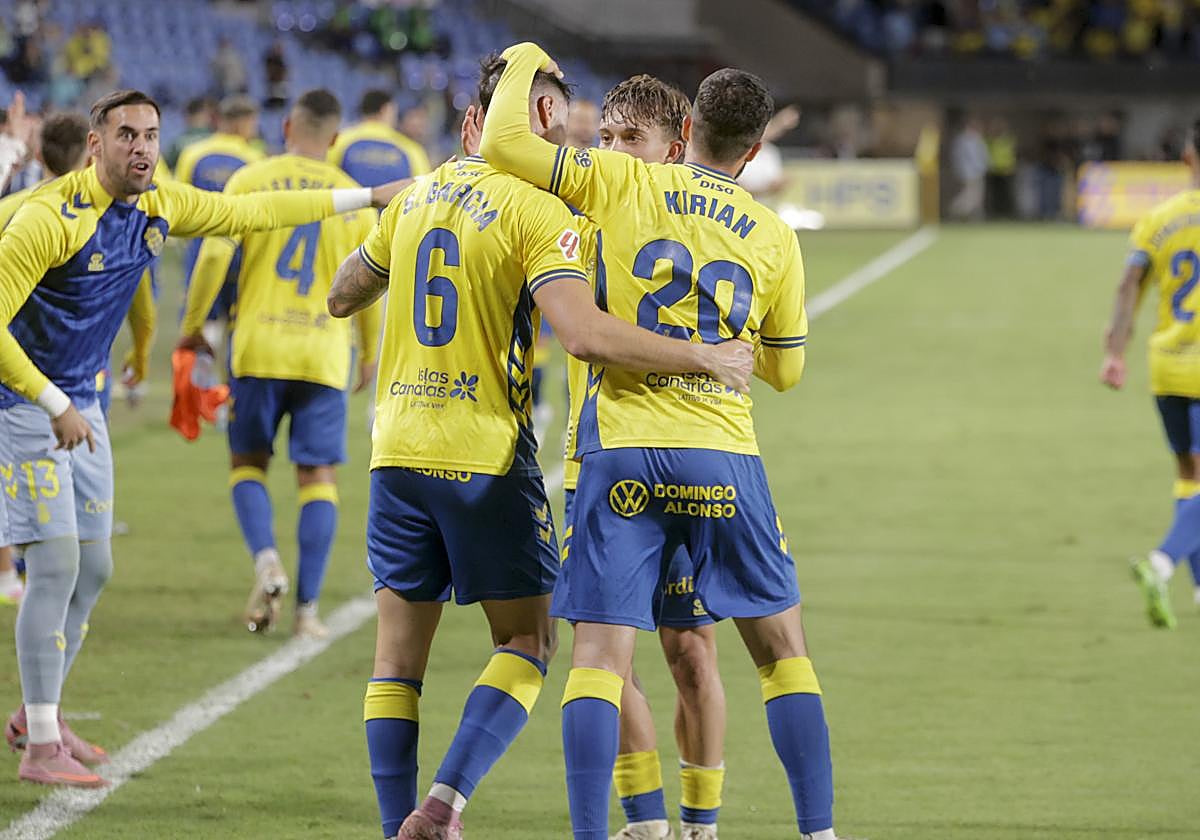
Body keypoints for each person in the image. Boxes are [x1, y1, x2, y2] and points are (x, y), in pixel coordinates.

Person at [326, 54, 752, 840]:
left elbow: (342, 291)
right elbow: (584, 334)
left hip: (394, 452)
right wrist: (705, 355)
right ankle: (445, 806)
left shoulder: (417, 196)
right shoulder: (536, 211)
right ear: (543, 125)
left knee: (396, 661)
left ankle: (400, 825)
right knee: (532, 639)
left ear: (466, 126)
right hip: (485, 453)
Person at [481, 43, 846, 840]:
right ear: (753, 149)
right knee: (782, 651)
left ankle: (595, 830)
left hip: (620, 453)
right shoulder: (774, 234)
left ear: (687, 131)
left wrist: (528, 58)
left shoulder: (620, 181)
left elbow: (504, 144)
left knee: (601, 660)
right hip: (722, 455)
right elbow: (784, 374)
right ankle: (816, 831)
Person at [0, 88, 409, 788]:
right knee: (59, 565)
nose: (142, 148)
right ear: (94, 145)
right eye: (126, 134)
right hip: (25, 403)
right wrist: (51, 399)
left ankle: (43, 712)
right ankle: (40, 745)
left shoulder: (158, 205)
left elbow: (251, 213)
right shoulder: (47, 218)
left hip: (83, 403)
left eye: (152, 135)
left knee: (94, 569)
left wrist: (369, 196)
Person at [178, 89, 382, 638]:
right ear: (335, 138)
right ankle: (308, 613)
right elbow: (370, 279)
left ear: (287, 125)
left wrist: (194, 326)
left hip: (258, 346)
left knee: (247, 464)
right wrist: (367, 349)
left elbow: (213, 256)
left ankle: (267, 557)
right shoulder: (352, 194)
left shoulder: (249, 178)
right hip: (322, 351)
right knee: (318, 477)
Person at [589, 75, 727, 840]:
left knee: (691, 652)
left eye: (629, 139)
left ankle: (701, 825)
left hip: (695, 453)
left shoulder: (711, 224)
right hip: (607, 454)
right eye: (604, 139)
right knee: (612, 654)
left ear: (676, 147)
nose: (612, 152)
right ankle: (645, 825)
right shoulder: (590, 205)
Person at [1102, 117, 1200, 630]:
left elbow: (1128, 285)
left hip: (1168, 367)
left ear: (1188, 158)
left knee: (1190, 476)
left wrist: (1115, 351)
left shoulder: (1160, 218)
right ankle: (1162, 563)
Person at [174, 95, 263, 347]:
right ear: (241, 123)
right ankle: (232, 383)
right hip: (241, 254)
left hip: (201, 251)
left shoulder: (193, 154)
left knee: (204, 321)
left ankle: (201, 383)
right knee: (239, 323)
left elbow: (181, 205)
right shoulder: (255, 160)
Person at [328, 89, 431, 187]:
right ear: (386, 109)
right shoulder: (410, 149)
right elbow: (423, 189)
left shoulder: (340, 140)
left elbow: (325, 177)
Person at [164, 96, 215, 170]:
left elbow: (165, 170)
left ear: (187, 117)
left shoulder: (178, 143)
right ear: (206, 115)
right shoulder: (219, 139)